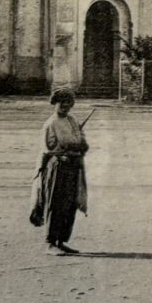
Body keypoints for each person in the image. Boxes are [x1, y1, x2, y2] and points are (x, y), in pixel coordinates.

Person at [40, 87, 90, 255]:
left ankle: (61, 241)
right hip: (58, 166)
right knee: (56, 203)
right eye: (62, 103)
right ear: (55, 103)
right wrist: (75, 145)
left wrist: (81, 145)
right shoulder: (51, 123)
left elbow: (83, 143)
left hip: (74, 165)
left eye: (69, 103)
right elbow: (53, 147)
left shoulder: (73, 120)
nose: (65, 106)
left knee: (70, 204)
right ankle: (50, 242)